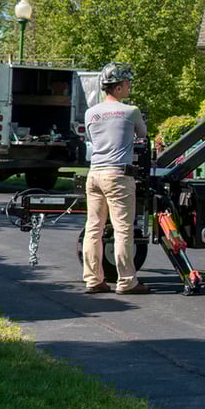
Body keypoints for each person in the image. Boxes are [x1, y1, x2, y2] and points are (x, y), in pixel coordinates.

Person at [82, 62, 149, 295]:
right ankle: (127, 281)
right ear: (118, 88)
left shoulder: (91, 112)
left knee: (94, 228)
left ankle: (93, 280)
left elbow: (92, 137)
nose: (129, 86)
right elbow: (143, 135)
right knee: (122, 230)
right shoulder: (131, 111)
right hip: (118, 176)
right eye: (127, 83)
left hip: (94, 175)